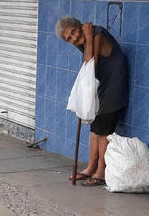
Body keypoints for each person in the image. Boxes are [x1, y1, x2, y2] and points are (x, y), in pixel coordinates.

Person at [55, 16, 128, 186]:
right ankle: (90, 167)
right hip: (101, 88)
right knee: (95, 129)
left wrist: (88, 38)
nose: (74, 38)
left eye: (73, 32)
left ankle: (101, 171)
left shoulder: (95, 34)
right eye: (69, 39)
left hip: (113, 88)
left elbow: (90, 64)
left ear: (80, 26)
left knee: (103, 131)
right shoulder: (85, 39)